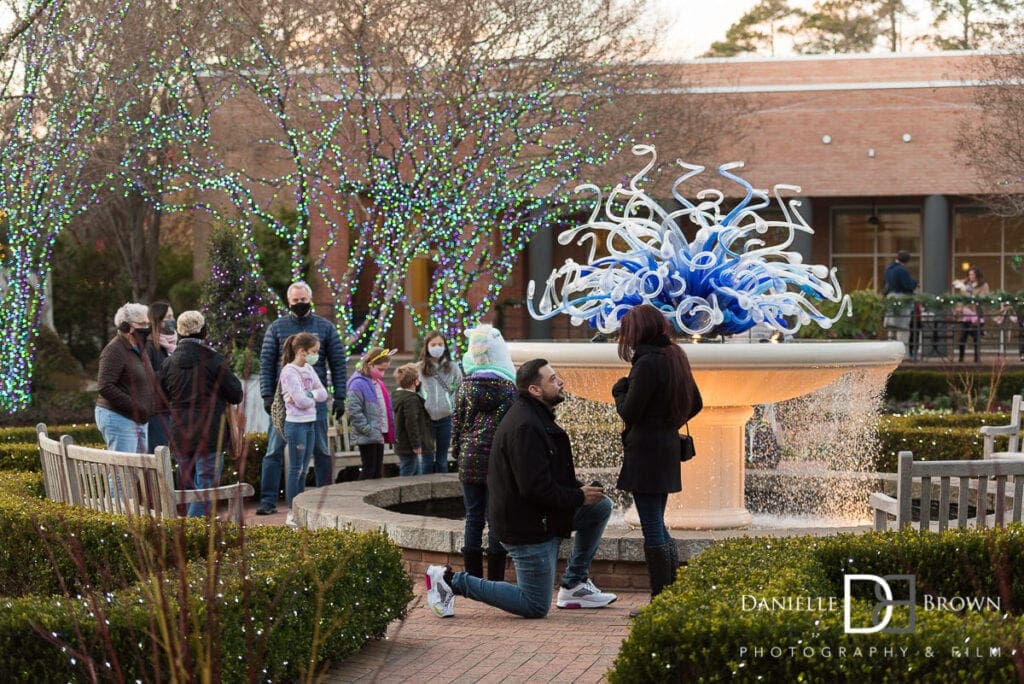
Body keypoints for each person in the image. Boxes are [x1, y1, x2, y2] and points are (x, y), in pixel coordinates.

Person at [424, 359, 617, 619]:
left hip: (542, 517)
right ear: (535, 390)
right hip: (526, 527)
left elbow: (547, 476)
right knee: (535, 605)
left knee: (601, 506)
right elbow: (535, 489)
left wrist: (578, 490)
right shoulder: (526, 426)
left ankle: (574, 585)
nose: (560, 382)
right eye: (552, 379)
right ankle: (449, 581)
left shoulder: (537, 417)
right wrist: (578, 496)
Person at [612, 304, 702, 614]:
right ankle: (671, 595)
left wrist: (619, 390)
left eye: (628, 331)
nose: (625, 337)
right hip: (665, 449)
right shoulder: (675, 355)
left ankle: (661, 601)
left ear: (639, 331)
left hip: (646, 453)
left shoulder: (647, 361)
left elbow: (629, 411)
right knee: (657, 523)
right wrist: (669, 423)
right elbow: (696, 402)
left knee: (652, 526)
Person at [257, 281, 348, 516]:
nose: (299, 303)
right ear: (289, 302)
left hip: (314, 403)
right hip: (282, 402)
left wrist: (340, 396)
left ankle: (323, 497)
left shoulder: (326, 328)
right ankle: (268, 500)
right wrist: (267, 394)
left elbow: (337, 363)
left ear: (310, 298)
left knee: (321, 451)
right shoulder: (276, 328)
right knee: (274, 451)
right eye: (295, 300)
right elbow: (266, 363)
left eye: (303, 299)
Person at [158, 311, 243, 517]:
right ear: (204, 331)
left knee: (186, 484)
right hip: (210, 432)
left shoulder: (168, 363)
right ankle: (193, 530)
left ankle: (188, 528)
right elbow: (236, 394)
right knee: (206, 485)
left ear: (179, 332)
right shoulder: (213, 359)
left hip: (180, 432)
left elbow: (160, 396)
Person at [450, 324, 518, 580]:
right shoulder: (509, 390)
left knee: (473, 517)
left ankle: (473, 577)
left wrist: (457, 452)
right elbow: (512, 429)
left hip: (470, 460)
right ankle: (496, 580)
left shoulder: (465, 387)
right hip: (499, 463)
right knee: (496, 519)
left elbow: (457, 424)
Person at [277, 332, 330, 525]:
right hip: (296, 424)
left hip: (310, 422)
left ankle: (300, 507)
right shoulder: (289, 372)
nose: (316, 355)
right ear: (301, 351)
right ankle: (292, 510)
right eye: (313, 352)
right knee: (296, 468)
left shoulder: (308, 368)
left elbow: (323, 393)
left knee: (304, 468)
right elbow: (300, 402)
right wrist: (308, 397)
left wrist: (310, 394)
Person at [95, 302, 156, 453]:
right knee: (121, 473)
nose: (147, 327)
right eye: (142, 324)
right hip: (119, 417)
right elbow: (105, 386)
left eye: (148, 323)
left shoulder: (140, 349)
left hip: (140, 419)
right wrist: (136, 406)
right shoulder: (114, 350)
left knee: (138, 472)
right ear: (126, 327)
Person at [345, 347, 396, 479]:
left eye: (385, 370)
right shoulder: (357, 383)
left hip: (377, 432)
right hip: (368, 433)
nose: (383, 373)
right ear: (370, 364)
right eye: (380, 369)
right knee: (369, 469)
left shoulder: (377, 383)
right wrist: (366, 428)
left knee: (377, 470)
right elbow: (354, 410)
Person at [416, 331, 462, 474]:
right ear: (427, 346)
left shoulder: (453, 367)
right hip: (426, 419)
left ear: (445, 347)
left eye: (440, 344)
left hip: (445, 418)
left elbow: (460, 387)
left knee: (442, 460)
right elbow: (413, 389)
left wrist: (452, 404)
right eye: (433, 344)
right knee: (427, 459)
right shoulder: (419, 367)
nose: (437, 347)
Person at [391, 363, 434, 476]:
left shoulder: (399, 396)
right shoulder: (411, 399)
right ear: (415, 381)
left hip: (403, 443)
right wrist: (416, 445)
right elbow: (411, 423)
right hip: (409, 445)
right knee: (408, 472)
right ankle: (403, 493)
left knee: (416, 472)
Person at [144, 301, 176, 452]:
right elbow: (148, 378)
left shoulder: (175, 343)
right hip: (157, 410)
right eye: (168, 317)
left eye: (172, 316)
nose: (172, 320)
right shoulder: (150, 346)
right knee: (158, 453)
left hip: (172, 407)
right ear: (158, 321)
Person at [882, 250, 919, 359]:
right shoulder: (901, 270)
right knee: (902, 329)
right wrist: (915, 283)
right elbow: (907, 285)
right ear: (906, 261)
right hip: (901, 300)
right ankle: (903, 355)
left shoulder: (889, 269)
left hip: (890, 299)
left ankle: (889, 355)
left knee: (891, 329)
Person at [953, 267, 989, 363]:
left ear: (977, 275)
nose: (971, 276)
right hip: (965, 316)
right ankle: (961, 358)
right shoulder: (967, 285)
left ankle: (977, 358)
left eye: (972, 274)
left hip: (976, 315)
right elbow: (962, 299)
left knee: (976, 337)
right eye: (969, 274)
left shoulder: (984, 286)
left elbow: (980, 299)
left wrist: (966, 292)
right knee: (962, 337)